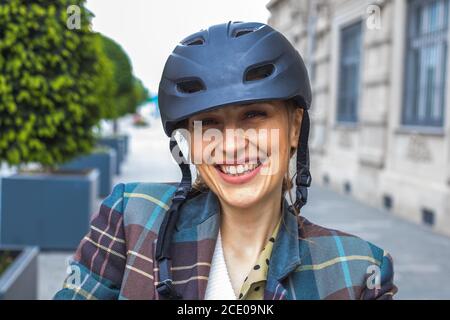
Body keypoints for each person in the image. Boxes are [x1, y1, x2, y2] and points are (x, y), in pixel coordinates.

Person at [54, 21, 397, 300]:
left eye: (254, 114)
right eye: (209, 123)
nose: (231, 145)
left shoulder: (357, 270)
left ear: (294, 127)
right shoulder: (131, 218)